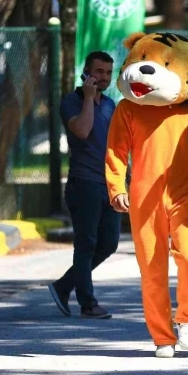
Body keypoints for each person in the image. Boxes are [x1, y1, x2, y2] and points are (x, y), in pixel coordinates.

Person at [48, 51, 120, 320]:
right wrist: (89, 98)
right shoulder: (72, 101)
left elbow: (117, 143)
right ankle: (87, 303)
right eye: (98, 72)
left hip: (109, 184)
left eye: (107, 73)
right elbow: (82, 131)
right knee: (86, 244)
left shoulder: (112, 105)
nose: (103, 77)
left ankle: (64, 285)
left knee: (109, 243)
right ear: (86, 72)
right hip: (84, 183)